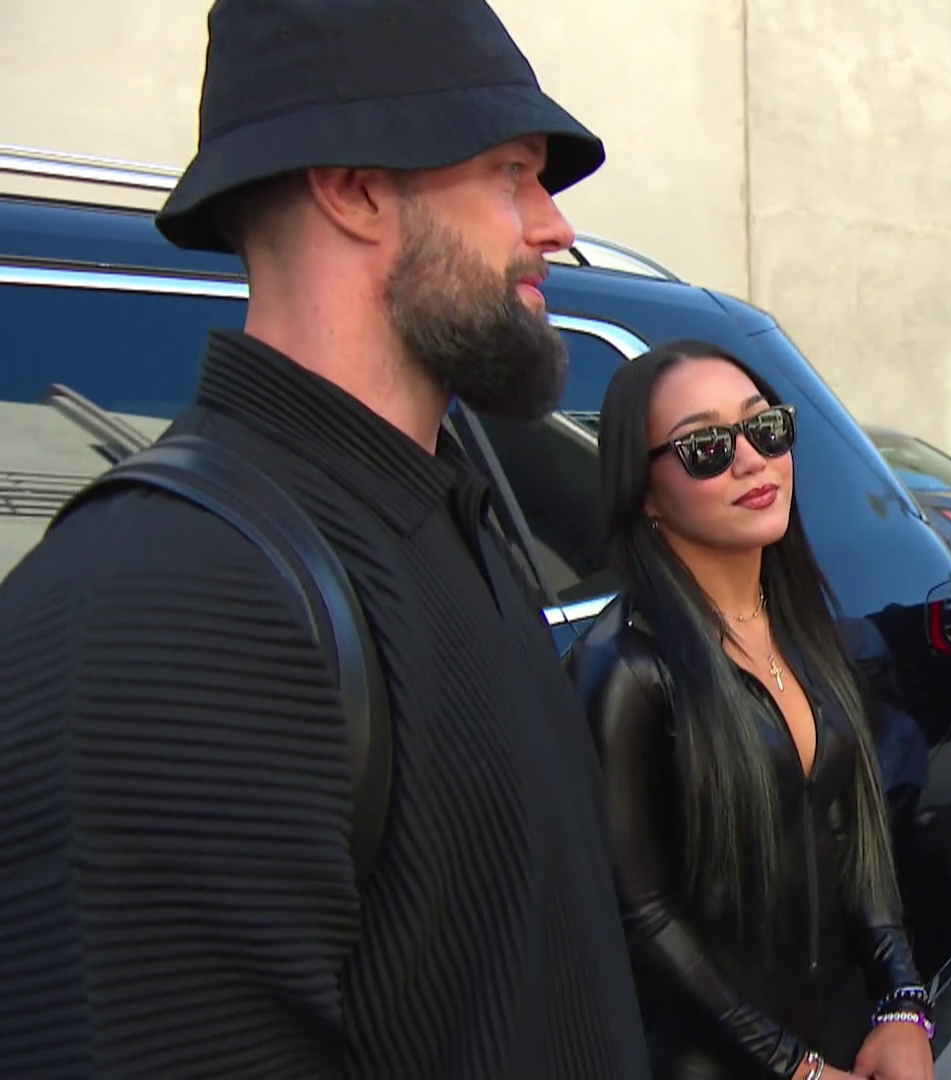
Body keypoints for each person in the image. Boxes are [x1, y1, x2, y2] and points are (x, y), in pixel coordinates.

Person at [0, 0, 651, 1075]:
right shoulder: (168, 610)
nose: (554, 225)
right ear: (353, 188)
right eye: (510, 173)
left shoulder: (446, 517)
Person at [565, 342, 937, 1080]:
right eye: (705, 447)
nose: (751, 461)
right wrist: (793, 1068)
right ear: (644, 491)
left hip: (837, 1040)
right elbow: (640, 917)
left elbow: (854, 834)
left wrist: (902, 1005)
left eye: (765, 428)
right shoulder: (627, 670)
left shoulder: (807, 628)